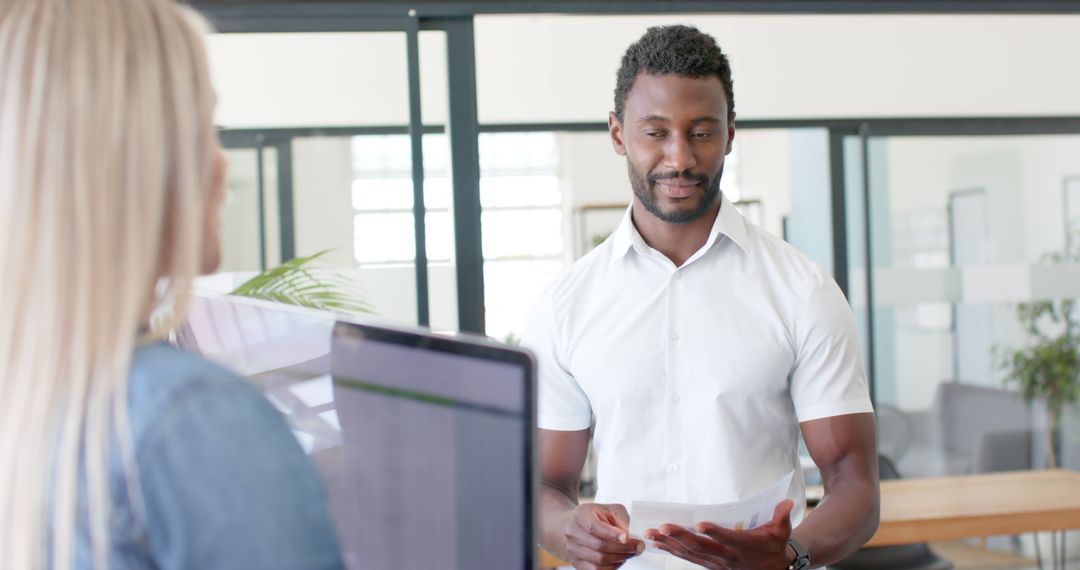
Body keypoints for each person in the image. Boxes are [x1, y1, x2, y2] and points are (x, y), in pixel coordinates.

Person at [0, 0, 343, 568]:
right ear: (134, 163)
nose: (220, 163)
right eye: (202, 130)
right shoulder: (189, 417)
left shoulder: (33, 393)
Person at [524, 25, 879, 570]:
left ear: (731, 133)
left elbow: (855, 486)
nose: (680, 157)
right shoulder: (565, 304)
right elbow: (547, 485)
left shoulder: (801, 290)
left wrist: (792, 554)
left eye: (702, 132)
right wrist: (568, 530)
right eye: (655, 132)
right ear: (618, 134)